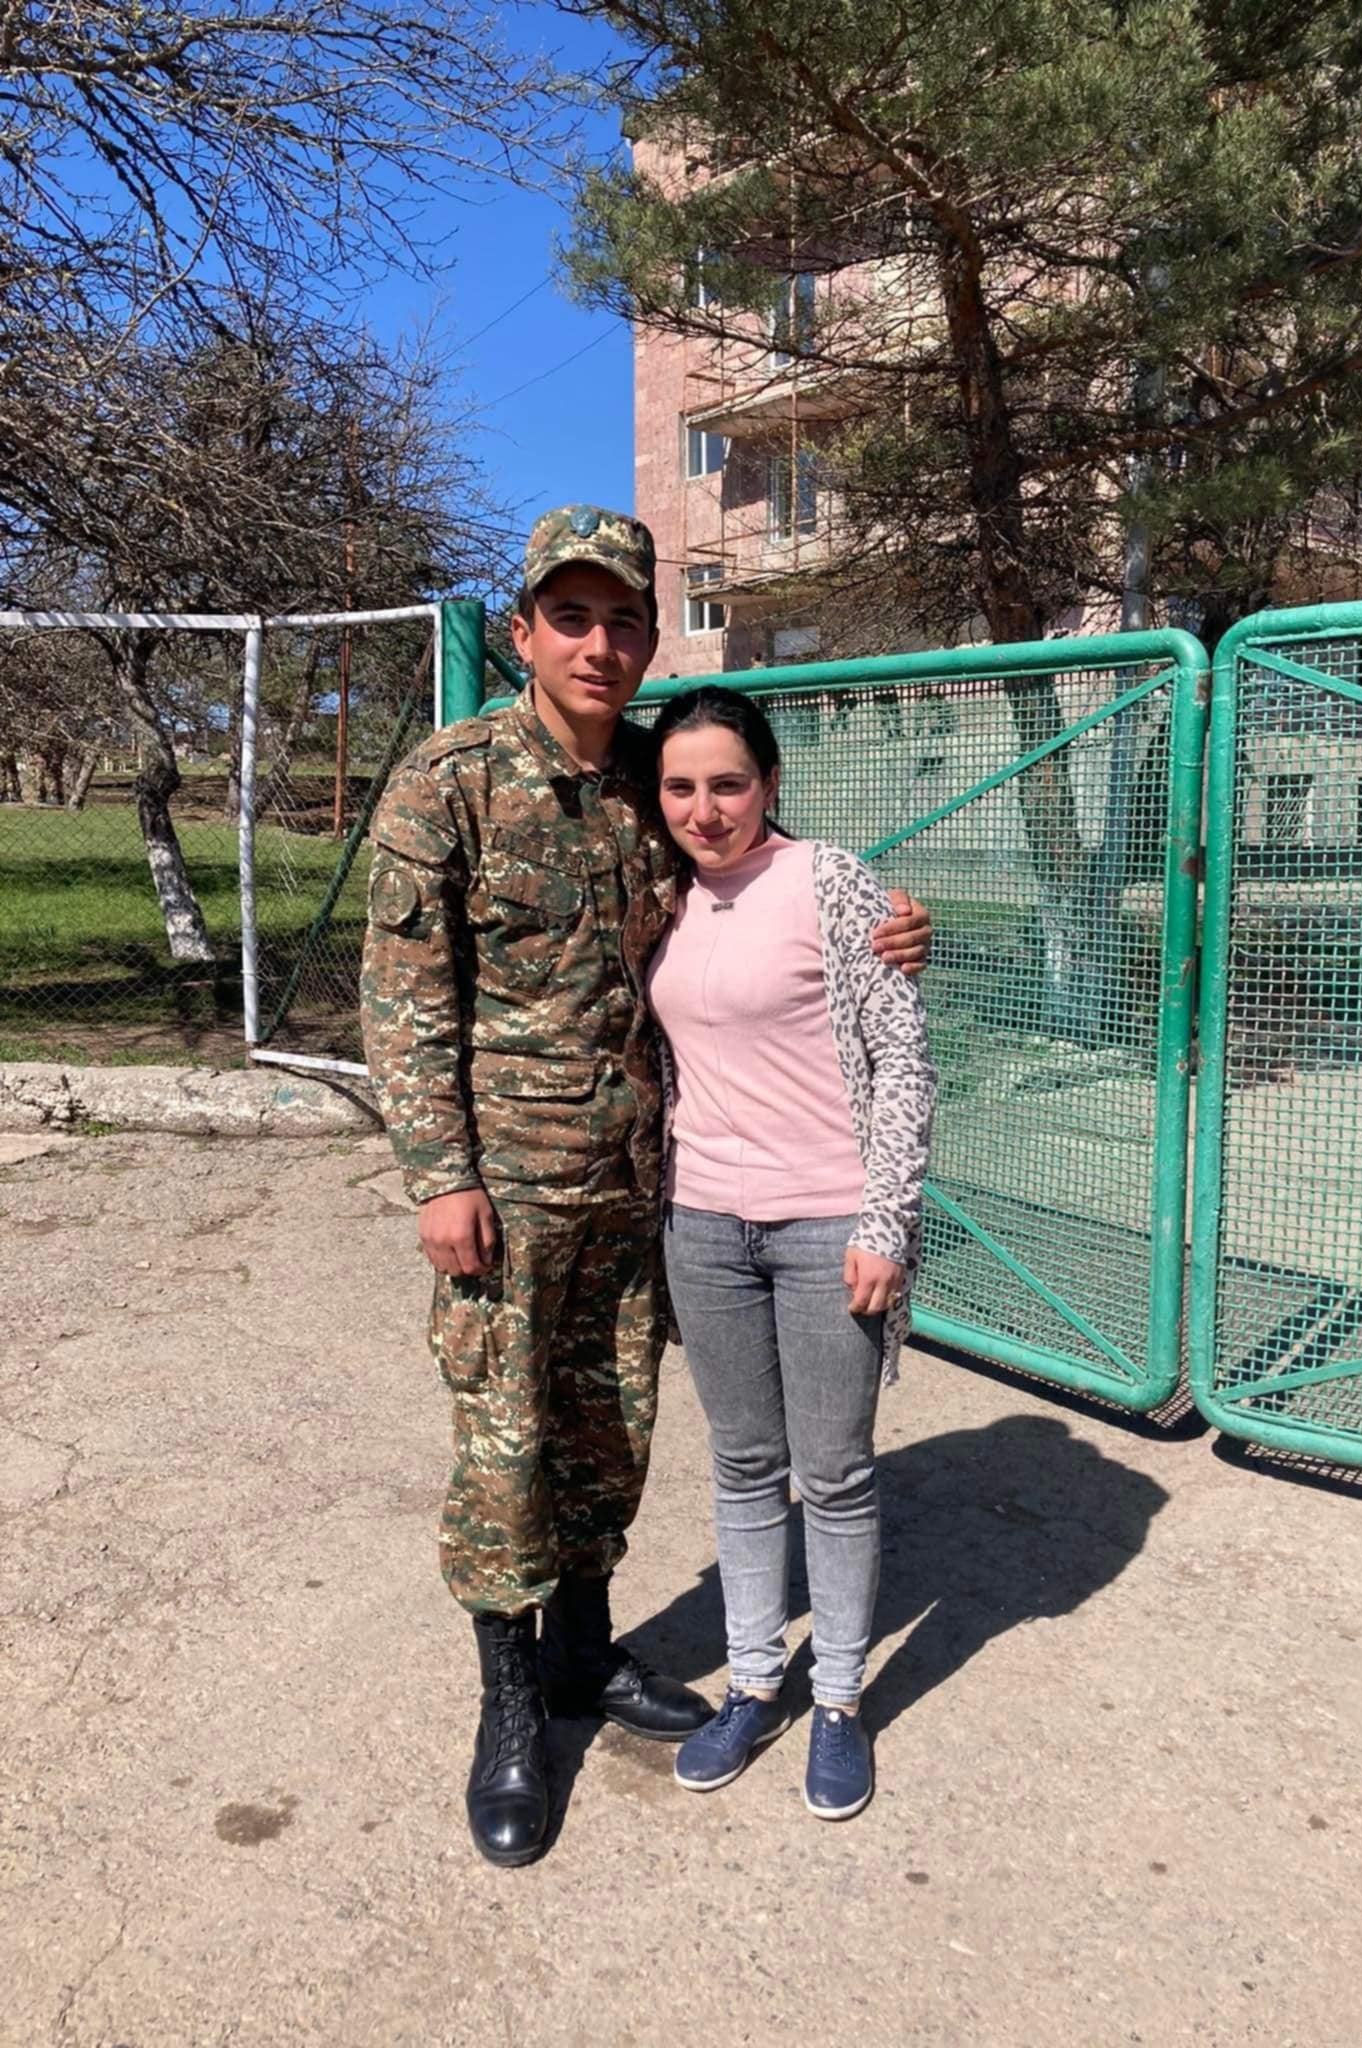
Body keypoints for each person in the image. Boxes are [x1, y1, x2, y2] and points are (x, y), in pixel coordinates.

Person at [360, 505, 932, 1868]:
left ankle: (584, 1653)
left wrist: (895, 922)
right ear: (524, 633)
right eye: (572, 617)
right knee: (505, 1448)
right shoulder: (449, 783)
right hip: (506, 1196)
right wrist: (440, 1176)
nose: (599, 644)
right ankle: (512, 1709)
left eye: (624, 619)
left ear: (651, 633)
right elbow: (402, 1000)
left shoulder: (651, 777)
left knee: (611, 1436)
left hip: (642, 1190)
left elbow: (761, 874)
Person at [646, 687, 936, 1821]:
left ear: (768, 783)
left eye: (728, 784)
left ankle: (839, 1699)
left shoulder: (831, 879)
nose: (705, 809)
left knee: (836, 1470)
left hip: (827, 1224)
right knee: (742, 1462)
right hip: (702, 1223)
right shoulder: (656, 890)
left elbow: (902, 1057)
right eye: (681, 787)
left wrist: (885, 1222)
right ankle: (754, 1680)